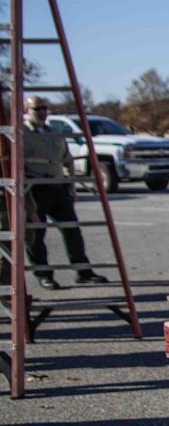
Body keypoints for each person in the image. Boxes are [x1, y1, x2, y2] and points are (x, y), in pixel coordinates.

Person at [22, 96, 109, 289]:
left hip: (58, 187)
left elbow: (67, 160)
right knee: (36, 234)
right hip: (34, 189)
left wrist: (70, 185)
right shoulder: (22, 134)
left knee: (72, 230)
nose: (42, 112)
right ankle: (43, 274)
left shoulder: (55, 133)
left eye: (45, 108)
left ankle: (83, 271)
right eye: (37, 109)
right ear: (26, 110)